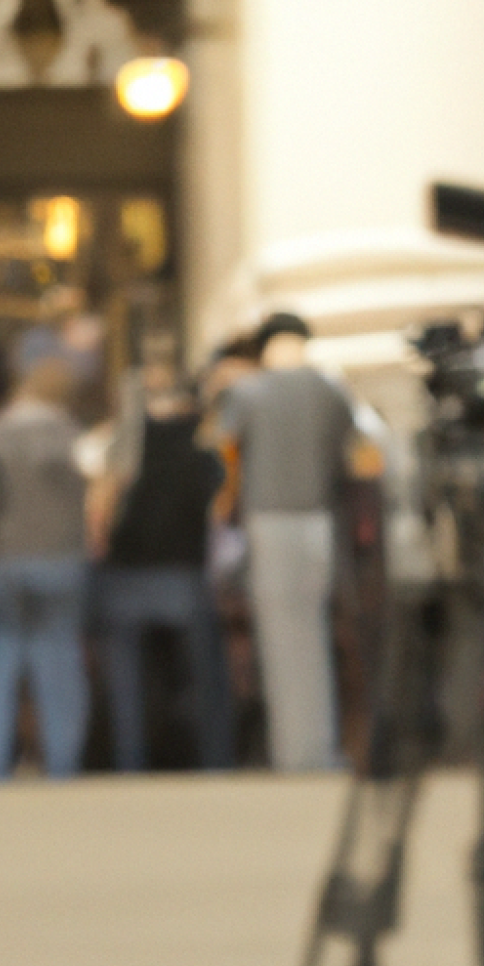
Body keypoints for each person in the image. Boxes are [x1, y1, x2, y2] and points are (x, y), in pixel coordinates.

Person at [218, 313, 360, 771]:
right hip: (318, 520)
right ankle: (320, 747)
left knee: (282, 640)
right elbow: (349, 453)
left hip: (269, 520)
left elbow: (226, 455)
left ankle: (291, 751)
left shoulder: (247, 393)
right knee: (315, 633)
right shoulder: (331, 391)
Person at [95, 361, 236, 771]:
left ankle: (129, 762)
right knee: (205, 677)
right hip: (182, 574)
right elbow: (221, 510)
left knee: (126, 684)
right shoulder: (203, 448)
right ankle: (216, 761)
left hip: (125, 573)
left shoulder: (121, 444)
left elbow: (102, 510)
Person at [0, 357, 91, 778]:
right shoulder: (74, 438)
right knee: (59, 660)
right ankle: (62, 760)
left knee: (2, 658)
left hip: (4, 556)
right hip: (60, 557)